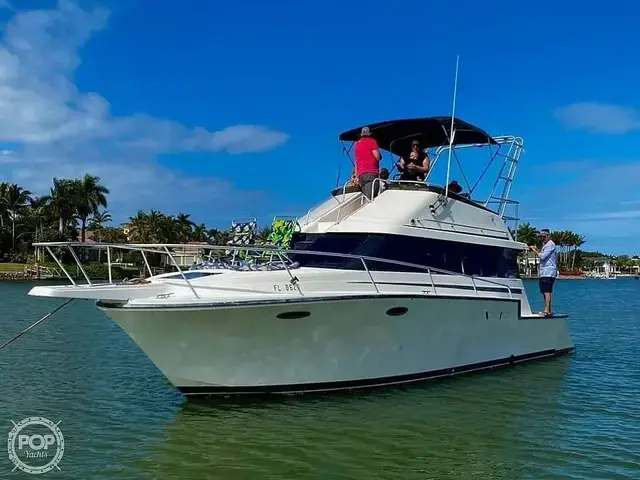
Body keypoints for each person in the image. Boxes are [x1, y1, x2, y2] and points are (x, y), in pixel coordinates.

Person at [529, 229, 557, 317]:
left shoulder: (550, 244)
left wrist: (534, 250)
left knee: (547, 291)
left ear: (548, 236)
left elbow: (543, 256)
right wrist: (537, 249)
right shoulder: (546, 245)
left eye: (544, 237)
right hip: (544, 272)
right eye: (541, 237)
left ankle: (547, 310)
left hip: (548, 272)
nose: (543, 238)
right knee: (544, 291)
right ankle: (548, 309)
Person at [354, 126, 382, 199]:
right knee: (371, 198)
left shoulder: (357, 144)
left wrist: (356, 176)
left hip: (361, 174)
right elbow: (377, 156)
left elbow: (356, 161)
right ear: (369, 134)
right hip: (371, 172)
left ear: (361, 134)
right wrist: (380, 156)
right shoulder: (372, 141)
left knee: (365, 197)